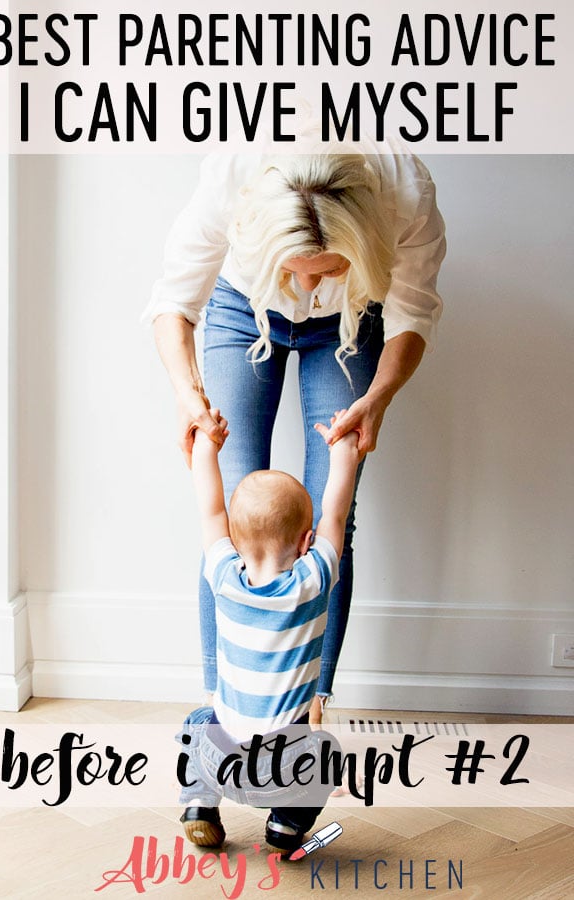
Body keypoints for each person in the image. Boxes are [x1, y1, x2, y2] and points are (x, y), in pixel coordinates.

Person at [144, 146, 446, 722]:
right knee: (235, 518)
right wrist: (188, 393)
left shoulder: (407, 194)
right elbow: (175, 299)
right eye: (293, 268)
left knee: (333, 520)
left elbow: (414, 311)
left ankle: (308, 706)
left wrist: (378, 398)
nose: (306, 286)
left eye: (327, 269)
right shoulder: (235, 173)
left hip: (352, 318)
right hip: (243, 306)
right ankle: (222, 704)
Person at [177, 414, 360, 855]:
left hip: (220, 760)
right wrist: (343, 453)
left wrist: (205, 448)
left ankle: (200, 802)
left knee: (197, 721)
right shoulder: (312, 583)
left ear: (233, 541)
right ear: (306, 542)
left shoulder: (223, 577)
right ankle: (286, 825)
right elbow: (337, 514)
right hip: (284, 772)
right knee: (326, 750)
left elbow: (211, 510)